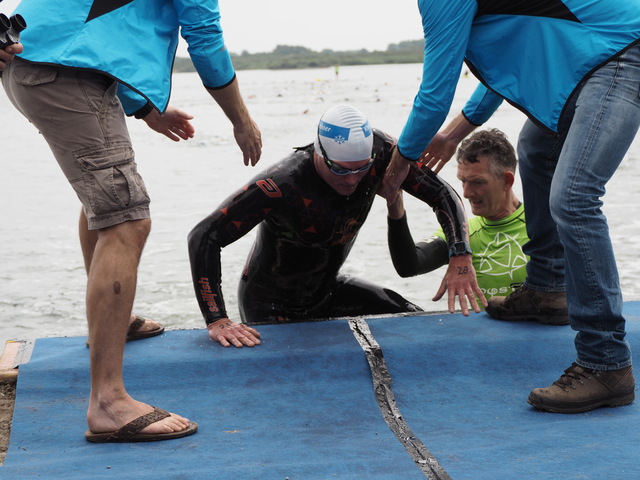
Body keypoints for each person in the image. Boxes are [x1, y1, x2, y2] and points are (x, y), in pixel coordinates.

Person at [2, 0, 262, 442]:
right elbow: (204, 36)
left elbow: (99, 31)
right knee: (126, 221)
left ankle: (111, 324)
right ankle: (108, 402)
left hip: (45, 63)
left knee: (103, 206)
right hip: (64, 72)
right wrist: (242, 120)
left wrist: (143, 108)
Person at [381, 1, 640, 413]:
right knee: (536, 148)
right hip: (594, 57)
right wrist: (454, 134)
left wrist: (396, 169)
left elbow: (434, 95)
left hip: (620, 51)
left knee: (574, 197)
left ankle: (606, 362)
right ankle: (548, 287)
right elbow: (509, 67)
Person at [188, 104, 486, 348]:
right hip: (270, 306)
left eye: (361, 169)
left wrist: (460, 255)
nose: (352, 180)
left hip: (328, 290)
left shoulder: (383, 153)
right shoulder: (282, 183)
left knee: (413, 320)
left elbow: (442, 194)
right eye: (341, 170)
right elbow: (204, 237)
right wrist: (217, 319)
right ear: (319, 152)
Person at [386, 128, 559, 318]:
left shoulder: (546, 227)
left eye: (477, 182)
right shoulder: (463, 233)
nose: (466, 193)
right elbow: (409, 266)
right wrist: (395, 206)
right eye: (463, 181)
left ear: (506, 181)